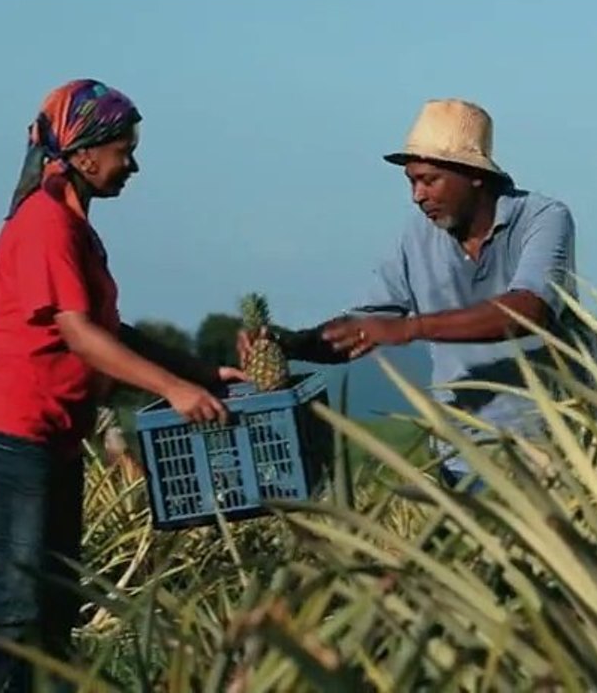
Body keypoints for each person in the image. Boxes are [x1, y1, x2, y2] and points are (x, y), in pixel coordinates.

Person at [0, 79, 245, 692]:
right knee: (12, 606)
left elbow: (110, 327)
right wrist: (173, 389)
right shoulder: (45, 224)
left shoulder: (74, 226)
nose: (134, 164)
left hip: (49, 439)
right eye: (126, 148)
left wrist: (199, 372)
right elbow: (80, 335)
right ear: (86, 152)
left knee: (51, 610)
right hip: (8, 435)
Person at [239, 98, 577, 488]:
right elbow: (360, 327)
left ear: (474, 176)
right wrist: (287, 343)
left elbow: (530, 309)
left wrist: (410, 328)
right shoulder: (417, 237)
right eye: (412, 182)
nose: (417, 196)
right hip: (461, 460)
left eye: (429, 180)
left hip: (550, 455)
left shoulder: (543, 218)